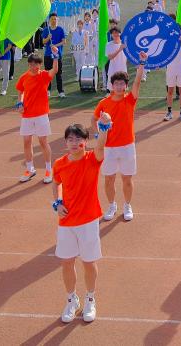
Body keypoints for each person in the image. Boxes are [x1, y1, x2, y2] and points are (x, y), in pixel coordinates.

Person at [53, 121, 109, 324]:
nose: (74, 142)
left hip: (88, 220)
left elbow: (101, 146)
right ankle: (71, 299)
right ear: (65, 142)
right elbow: (56, 183)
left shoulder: (92, 159)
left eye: (78, 139)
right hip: (67, 221)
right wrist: (57, 202)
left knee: (88, 262)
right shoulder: (59, 163)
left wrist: (104, 128)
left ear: (85, 141)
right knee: (67, 262)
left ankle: (90, 299)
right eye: (70, 139)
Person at [93, 51, 147, 222]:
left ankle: (127, 205)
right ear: (112, 85)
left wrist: (142, 63)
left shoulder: (130, 100)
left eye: (121, 83)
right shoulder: (103, 103)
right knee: (109, 179)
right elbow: (94, 119)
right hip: (109, 148)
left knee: (127, 179)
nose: (118, 86)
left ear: (125, 86)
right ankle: (111, 205)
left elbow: (137, 82)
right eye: (116, 83)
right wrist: (97, 133)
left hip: (127, 146)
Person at [15, 51, 59, 183]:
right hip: (27, 114)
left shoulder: (44, 75)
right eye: (31, 64)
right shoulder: (24, 77)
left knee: (43, 142)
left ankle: (48, 170)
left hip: (41, 114)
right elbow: (20, 92)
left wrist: (55, 56)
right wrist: (20, 103)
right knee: (26, 141)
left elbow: (55, 70)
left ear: (40, 65)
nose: (33, 66)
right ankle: (30, 169)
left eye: (36, 64)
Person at [164, 22, 181, 122]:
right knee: (170, 91)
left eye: (178, 29)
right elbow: (164, 54)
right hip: (170, 69)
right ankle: (169, 112)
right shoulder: (169, 40)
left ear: (180, 30)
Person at [42, 14, 66, 98]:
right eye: (52, 19)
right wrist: (48, 38)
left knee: (58, 74)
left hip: (57, 55)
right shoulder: (46, 30)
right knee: (48, 73)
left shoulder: (60, 29)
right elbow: (43, 42)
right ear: (49, 20)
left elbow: (64, 41)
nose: (54, 21)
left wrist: (55, 45)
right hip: (48, 55)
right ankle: (48, 90)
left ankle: (61, 91)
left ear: (57, 20)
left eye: (55, 19)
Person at [104, 27, 127, 93]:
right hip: (113, 70)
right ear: (111, 35)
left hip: (122, 70)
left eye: (117, 32)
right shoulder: (108, 45)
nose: (115, 34)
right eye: (113, 33)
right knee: (112, 90)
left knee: (122, 90)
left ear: (120, 33)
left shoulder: (125, 44)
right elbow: (110, 57)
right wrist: (119, 49)